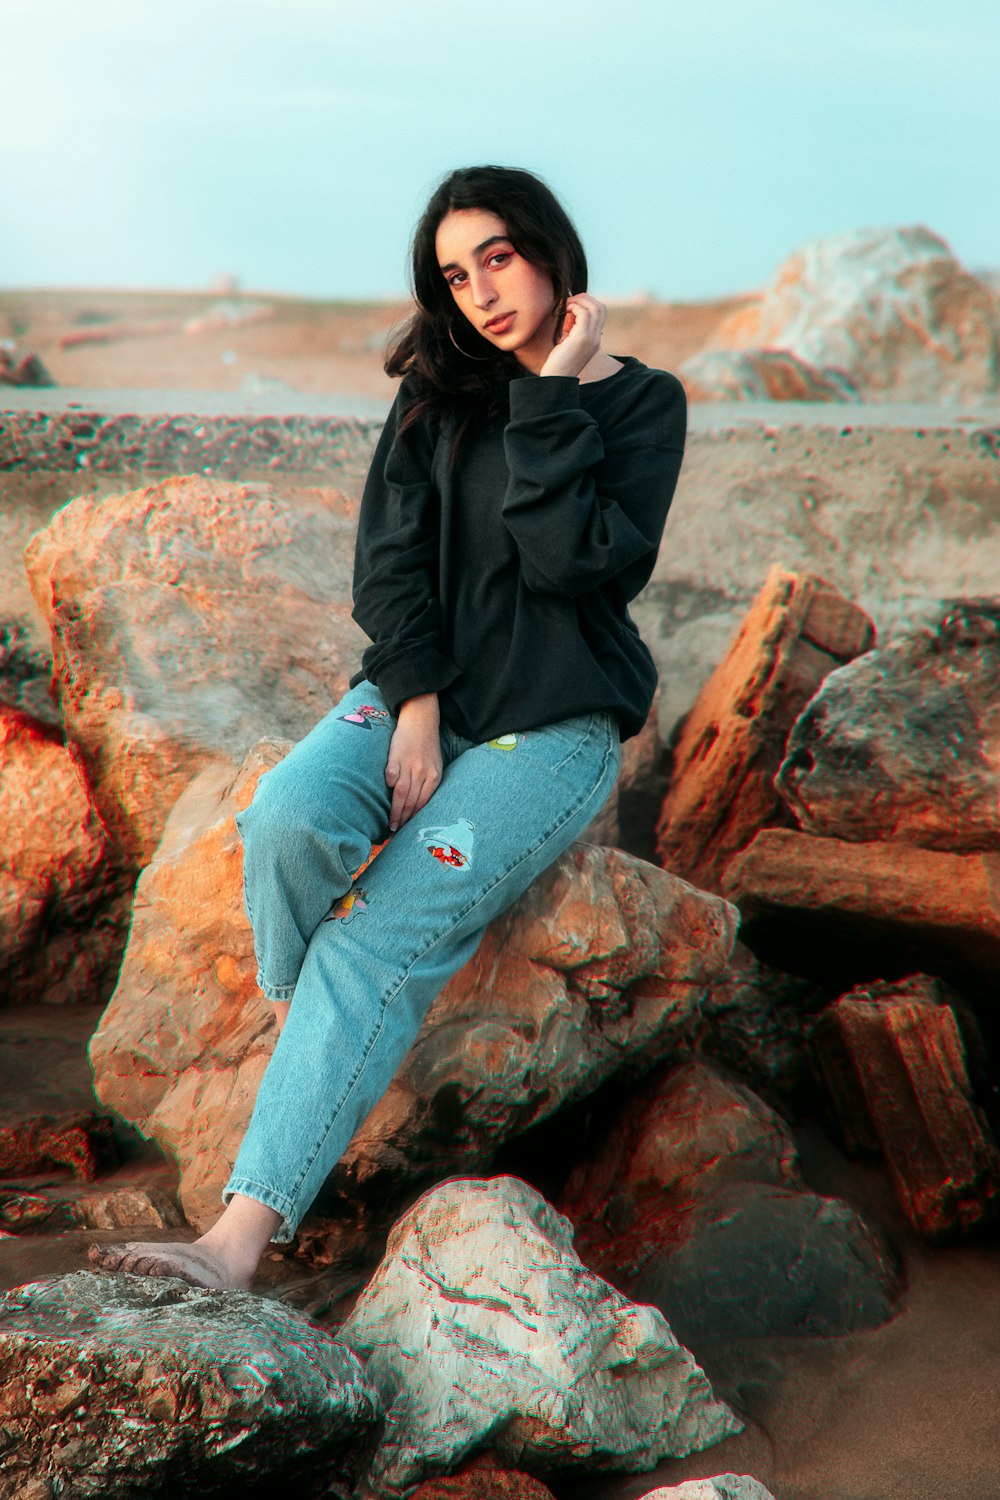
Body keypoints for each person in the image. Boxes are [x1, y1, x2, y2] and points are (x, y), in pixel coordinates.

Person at [89, 165, 687, 1290]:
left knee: (372, 942)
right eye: (456, 275)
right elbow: (389, 564)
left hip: (550, 731)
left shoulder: (641, 403)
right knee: (287, 820)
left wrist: (552, 391)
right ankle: (300, 1017)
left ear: (550, 250)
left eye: (497, 259)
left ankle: (234, 1243)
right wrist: (414, 709)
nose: (479, 293)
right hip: (422, 693)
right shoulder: (436, 391)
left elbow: (574, 562)